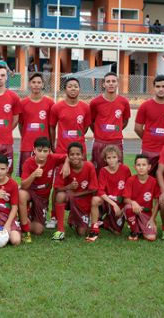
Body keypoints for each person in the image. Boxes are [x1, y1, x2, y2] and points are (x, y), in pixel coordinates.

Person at [47, 76, 90, 229]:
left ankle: (76, 216)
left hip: (80, 152)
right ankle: (53, 216)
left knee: (79, 185)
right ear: (65, 89)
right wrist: (53, 143)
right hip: (61, 151)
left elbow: (84, 127)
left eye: (76, 86)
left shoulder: (85, 107)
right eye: (70, 86)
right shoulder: (57, 107)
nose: (73, 89)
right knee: (58, 185)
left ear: (79, 89)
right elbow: (52, 126)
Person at [19, 137, 68, 243]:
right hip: (30, 192)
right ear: (34, 150)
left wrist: (66, 165)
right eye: (39, 150)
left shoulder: (53, 158)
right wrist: (33, 175)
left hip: (42, 197)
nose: (42, 154)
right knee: (21, 194)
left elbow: (68, 155)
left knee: (38, 230)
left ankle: (22, 221)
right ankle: (25, 229)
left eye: (45, 151)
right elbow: (23, 185)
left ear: (49, 151)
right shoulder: (28, 162)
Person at [134, 74, 164, 176]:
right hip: (148, 151)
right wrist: (149, 138)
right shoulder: (145, 106)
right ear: (154, 87)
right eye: (158, 86)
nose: (161, 89)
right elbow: (138, 128)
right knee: (147, 182)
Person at [52, 142, 98, 241]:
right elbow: (57, 188)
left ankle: (73, 219)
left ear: (83, 155)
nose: (75, 157)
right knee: (60, 196)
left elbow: (94, 189)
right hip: (70, 197)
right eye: (72, 155)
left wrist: (76, 194)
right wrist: (69, 186)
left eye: (78, 154)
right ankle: (60, 230)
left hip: (83, 201)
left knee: (81, 232)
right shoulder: (64, 167)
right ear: (68, 156)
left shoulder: (89, 166)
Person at [86, 145, 131, 242]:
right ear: (105, 159)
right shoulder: (103, 171)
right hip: (107, 201)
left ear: (118, 158)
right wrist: (113, 204)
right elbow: (100, 191)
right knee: (95, 200)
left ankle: (105, 223)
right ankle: (94, 229)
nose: (111, 160)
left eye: (114, 157)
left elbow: (129, 189)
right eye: (109, 158)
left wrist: (122, 207)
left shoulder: (125, 169)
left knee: (117, 232)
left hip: (120, 201)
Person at [89, 72, 130, 174]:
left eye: (113, 81)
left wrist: (116, 130)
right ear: (103, 84)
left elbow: (125, 121)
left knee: (117, 172)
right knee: (98, 172)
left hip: (117, 142)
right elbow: (91, 121)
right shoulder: (95, 102)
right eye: (108, 81)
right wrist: (99, 132)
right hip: (100, 142)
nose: (111, 84)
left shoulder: (124, 102)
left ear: (117, 84)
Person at [18, 72, 54, 175]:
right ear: (29, 84)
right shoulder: (23, 103)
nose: (36, 85)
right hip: (27, 146)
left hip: (44, 147)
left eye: (39, 82)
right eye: (34, 82)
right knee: (26, 176)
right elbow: (21, 125)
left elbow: (51, 126)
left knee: (44, 176)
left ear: (43, 84)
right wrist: (26, 137)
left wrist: (51, 145)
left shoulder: (49, 103)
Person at [122, 154, 160, 241]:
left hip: (146, 213)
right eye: (138, 165)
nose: (141, 167)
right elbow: (125, 199)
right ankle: (134, 231)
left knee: (151, 237)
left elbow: (157, 201)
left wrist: (152, 219)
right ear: (135, 167)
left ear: (149, 167)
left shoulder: (154, 181)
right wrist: (133, 202)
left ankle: (140, 227)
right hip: (134, 210)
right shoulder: (131, 180)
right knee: (128, 207)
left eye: (144, 165)